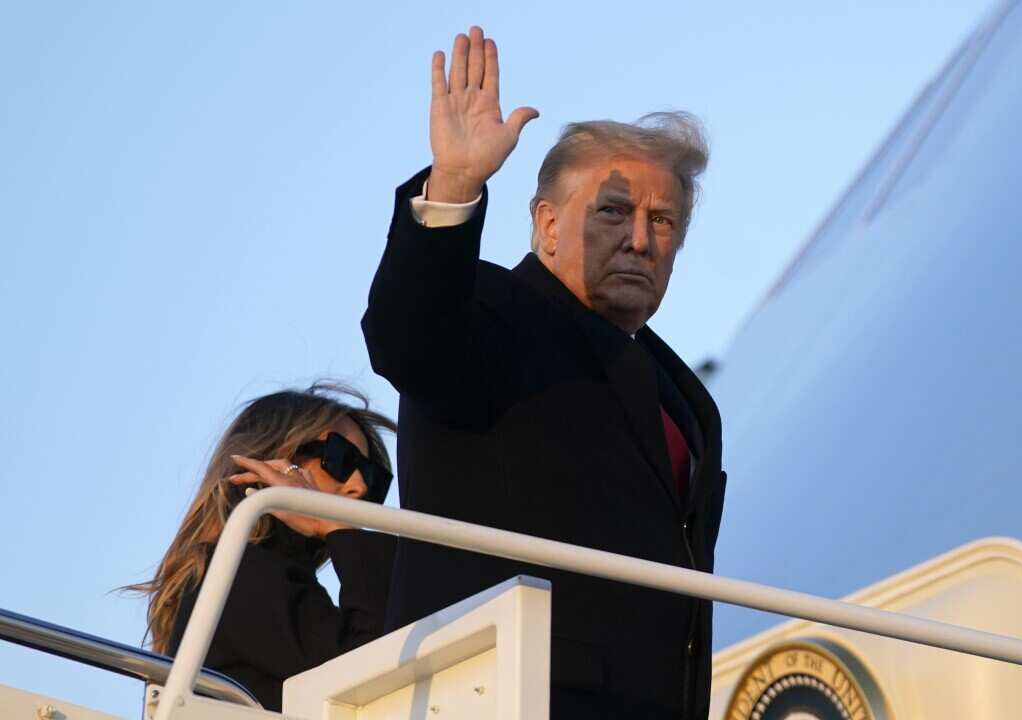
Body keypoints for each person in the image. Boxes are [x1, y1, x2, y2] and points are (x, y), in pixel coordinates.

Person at [362, 26, 727, 719]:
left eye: (664, 221)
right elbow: (408, 341)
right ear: (548, 225)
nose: (641, 240)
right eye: (614, 212)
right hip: (510, 694)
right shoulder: (493, 312)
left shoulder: (684, 394)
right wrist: (455, 187)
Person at [127, 383, 398, 711]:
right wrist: (338, 530)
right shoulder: (235, 575)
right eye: (340, 458)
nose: (359, 485)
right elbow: (377, 675)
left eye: (373, 478)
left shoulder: (239, 574)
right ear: (274, 458)